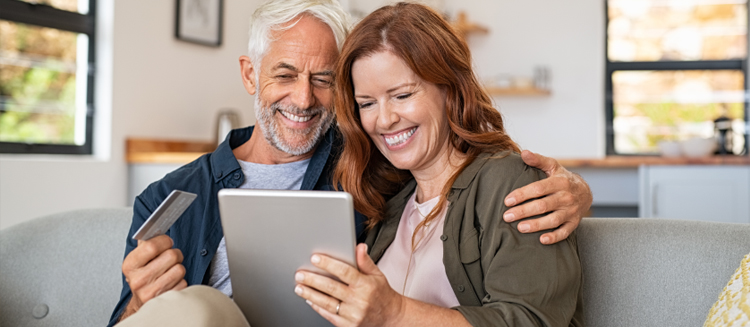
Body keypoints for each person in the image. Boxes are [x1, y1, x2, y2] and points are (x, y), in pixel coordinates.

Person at [108, 0, 591, 325]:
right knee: (196, 309)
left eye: (323, 78)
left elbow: (467, 177)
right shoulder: (172, 196)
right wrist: (141, 301)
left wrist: (574, 191)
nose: (303, 97)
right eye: (285, 74)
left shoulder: (369, 170)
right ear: (250, 74)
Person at [292, 3, 582, 326]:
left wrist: (396, 314)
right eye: (367, 103)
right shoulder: (391, 202)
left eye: (402, 95)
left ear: (448, 88)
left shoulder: (509, 183)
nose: (384, 120)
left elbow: (531, 321)